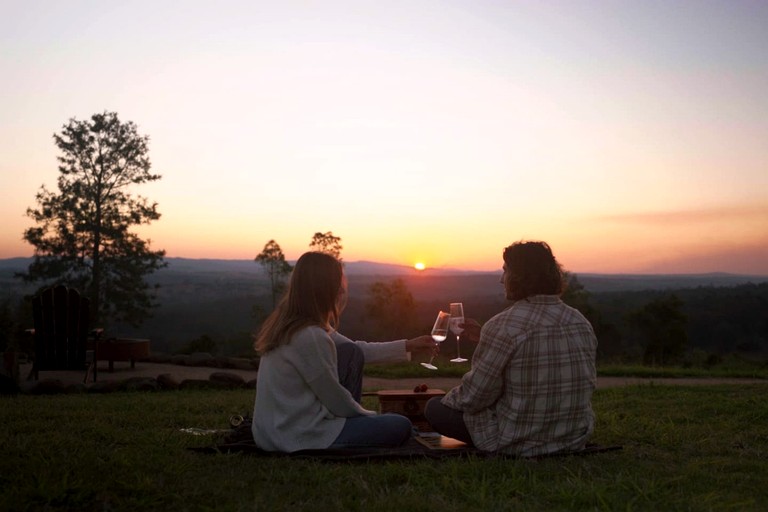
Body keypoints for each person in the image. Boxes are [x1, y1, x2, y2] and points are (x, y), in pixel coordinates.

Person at [425, 241, 597, 457]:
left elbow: (474, 397)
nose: (501, 279)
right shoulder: (579, 321)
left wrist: (446, 399)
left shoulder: (504, 325)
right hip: (573, 436)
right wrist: (486, 339)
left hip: (517, 440)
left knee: (434, 408)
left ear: (519, 276)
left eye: (505, 271)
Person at [251, 251, 435, 453]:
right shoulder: (310, 336)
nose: (342, 287)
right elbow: (336, 400)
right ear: (327, 288)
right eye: (339, 281)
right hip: (298, 436)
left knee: (351, 352)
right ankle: (352, 431)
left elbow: (358, 350)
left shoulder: (293, 325)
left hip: (272, 432)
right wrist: (371, 417)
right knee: (401, 425)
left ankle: (353, 428)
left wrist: (409, 345)